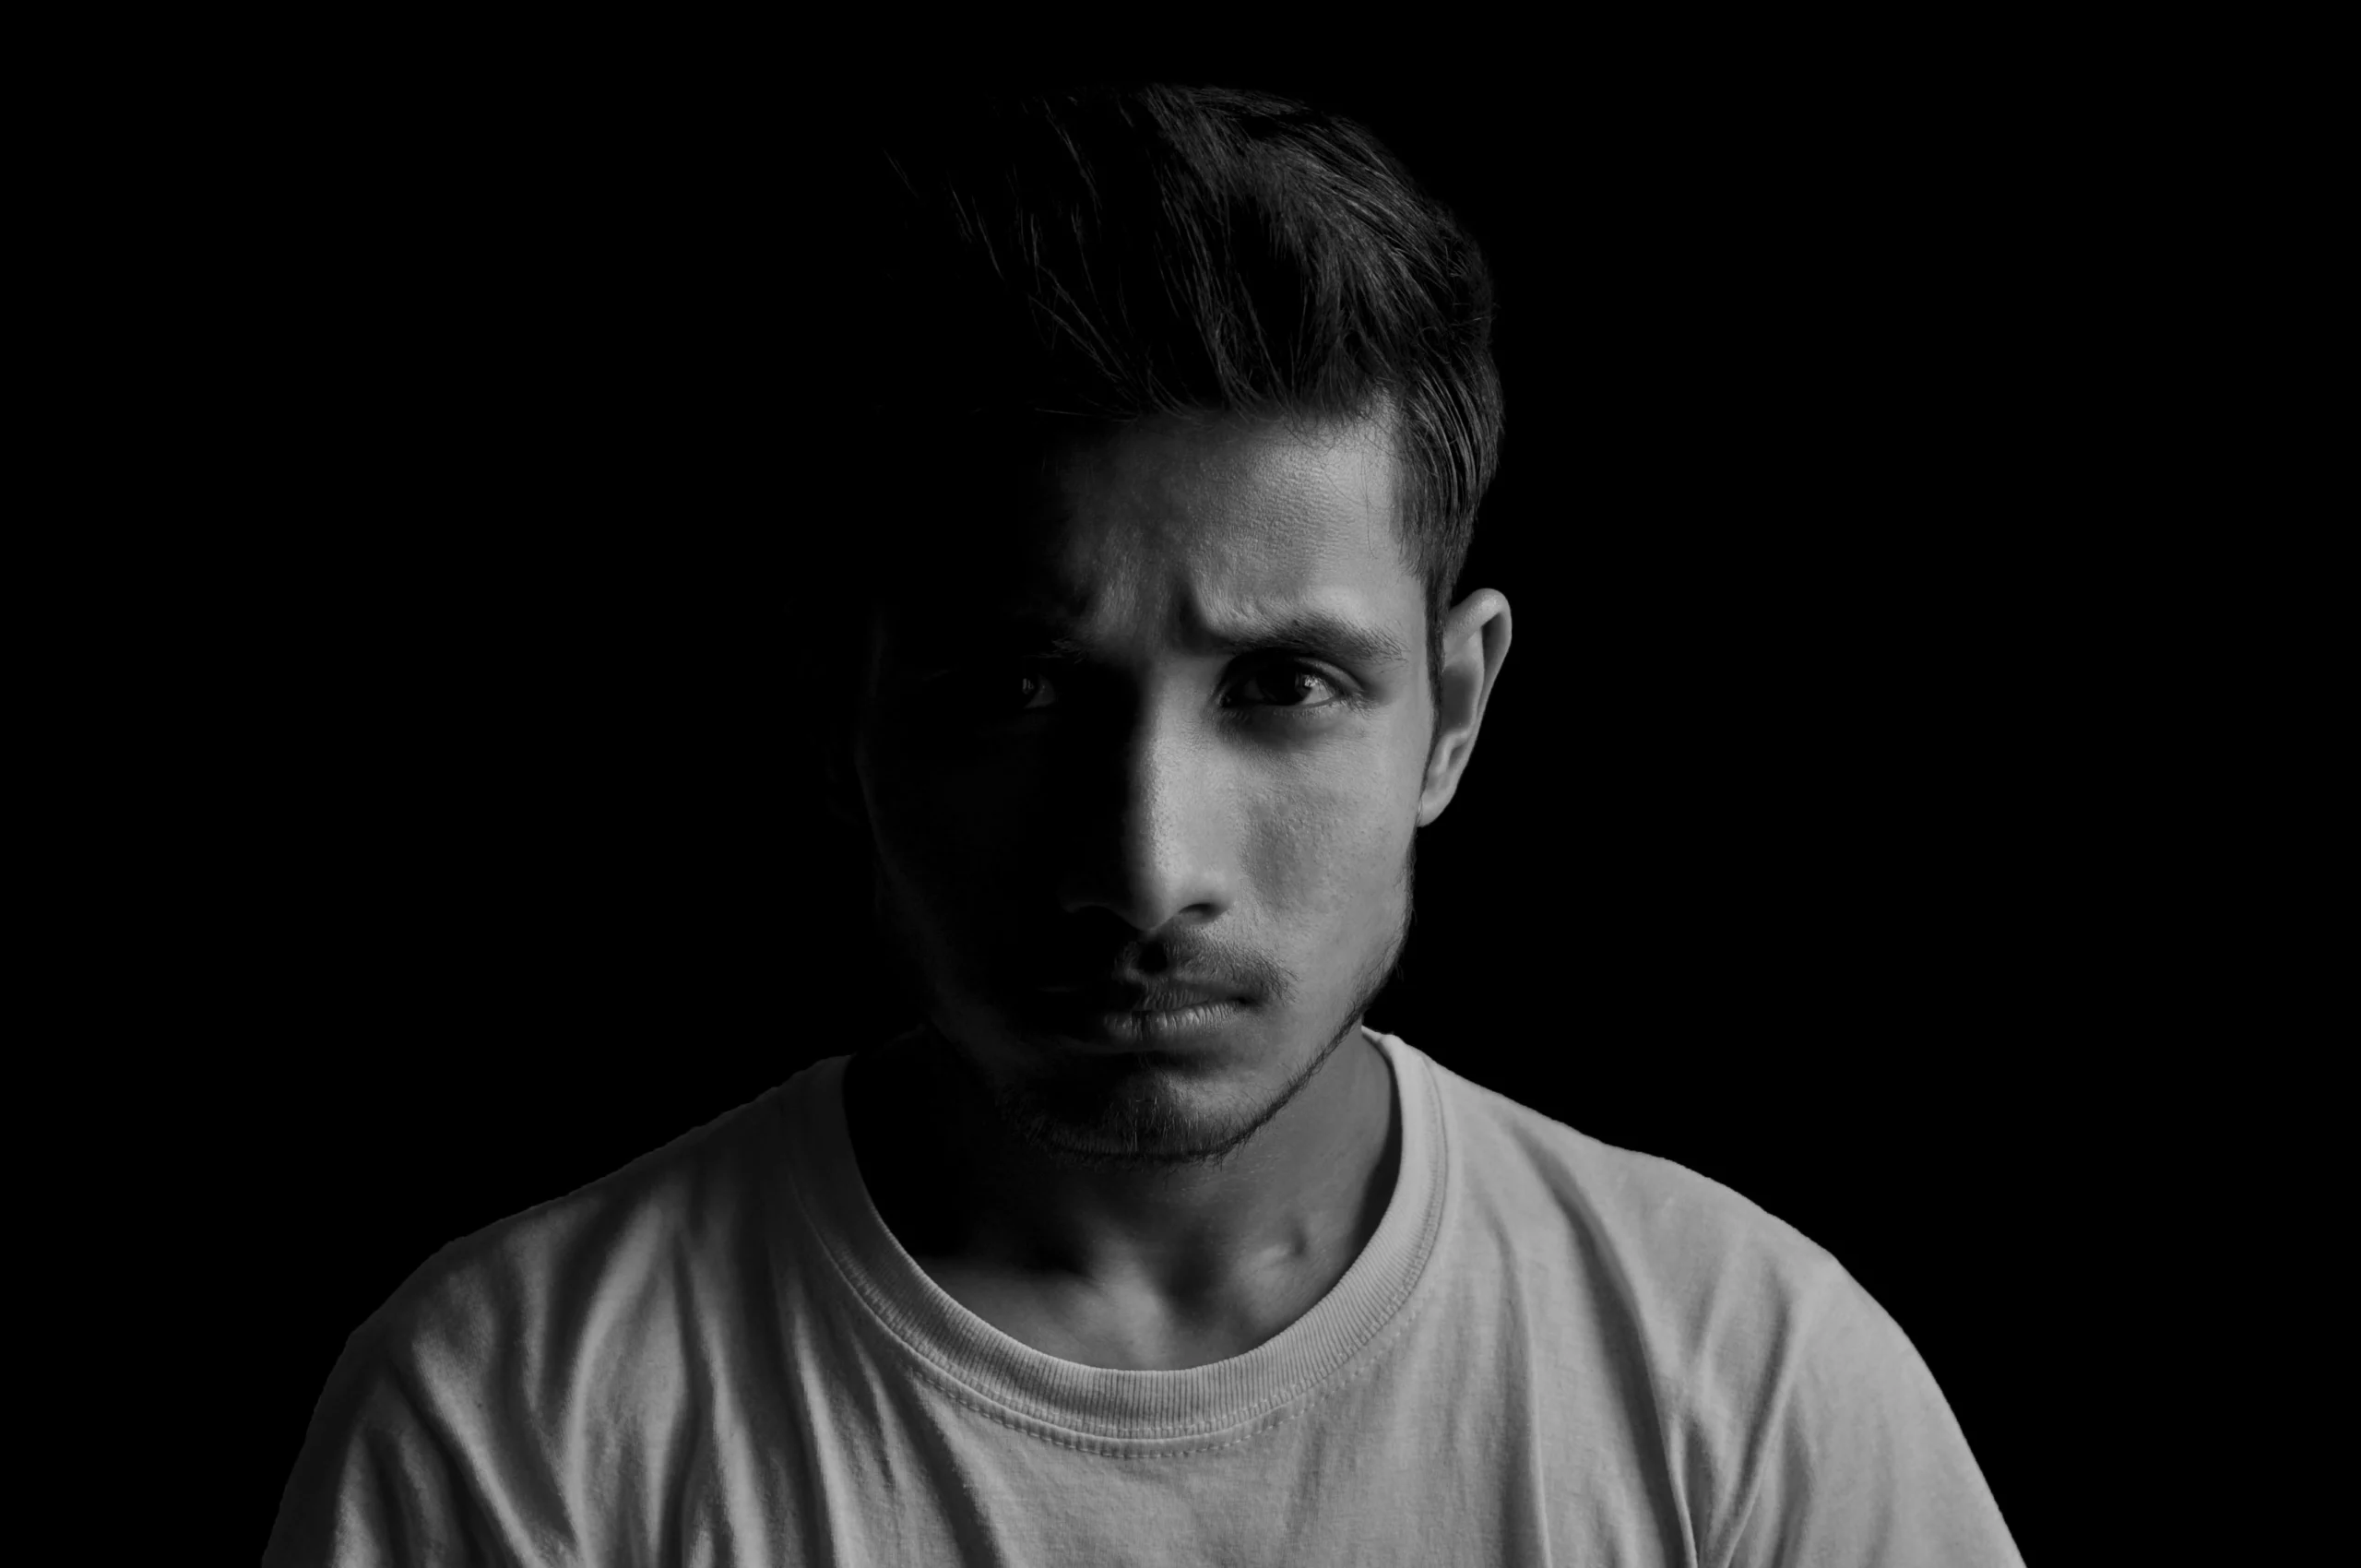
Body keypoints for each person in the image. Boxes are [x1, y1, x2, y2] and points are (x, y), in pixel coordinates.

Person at [265, 82, 2023, 1566]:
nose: (1142, 869)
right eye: (1017, 691)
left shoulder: (1752, 1390)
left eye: (1284, 687)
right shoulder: (515, 1419)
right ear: (839, 719)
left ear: (1454, 714)